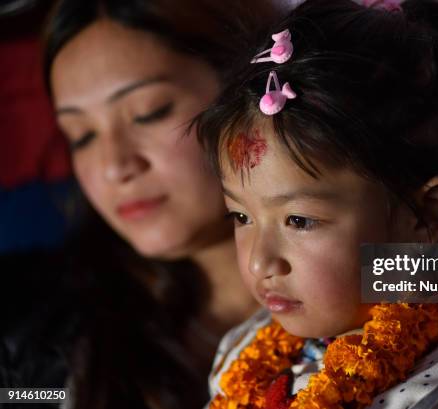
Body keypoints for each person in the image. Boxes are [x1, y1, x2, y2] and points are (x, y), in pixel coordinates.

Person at [195, 0, 438, 408]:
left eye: (299, 221)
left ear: (427, 214)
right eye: (240, 215)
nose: (260, 263)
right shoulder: (244, 354)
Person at [42, 0, 281, 408]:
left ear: (249, 89)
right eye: (81, 135)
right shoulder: (51, 331)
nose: (115, 166)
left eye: (149, 112)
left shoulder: (395, 255)